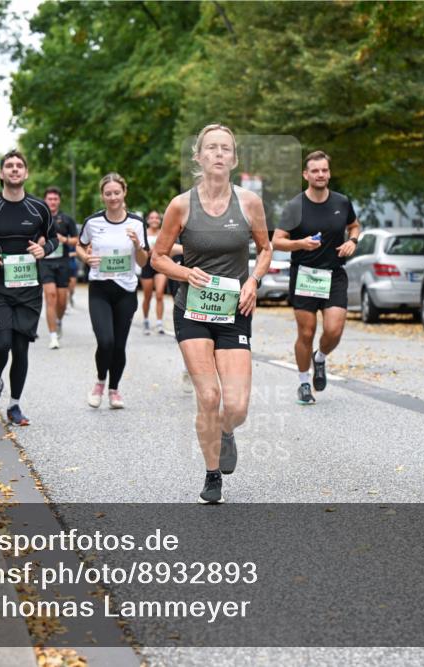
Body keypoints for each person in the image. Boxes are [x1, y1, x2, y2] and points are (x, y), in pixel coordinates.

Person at [151, 124, 272, 504]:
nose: (218, 154)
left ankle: (226, 431)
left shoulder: (249, 203)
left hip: (235, 308)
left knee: (235, 405)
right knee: (208, 394)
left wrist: (253, 280)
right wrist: (186, 272)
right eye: (211, 148)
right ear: (199, 157)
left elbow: (266, 249)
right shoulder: (181, 205)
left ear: (234, 159)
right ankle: (212, 474)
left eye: (225, 149)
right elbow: (156, 257)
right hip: (193, 310)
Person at [0, 149, 56, 426]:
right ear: (2, 174)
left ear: (26, 173)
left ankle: (15, 406)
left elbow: (54, 239)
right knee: (1, 343)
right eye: (9, 166)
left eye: (19, 166)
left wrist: (44, 248)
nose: (14, 169)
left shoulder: (38, 208)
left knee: (21, 348)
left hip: (28, 289)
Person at [273, 150, 360, 405]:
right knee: (307, 332)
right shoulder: (295, 206)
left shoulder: (342, 202)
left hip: (334, 275)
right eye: (315, 171)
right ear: (306, 174)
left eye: (324, 170)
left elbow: (354, 225)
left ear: (329, 173)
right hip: (305, 276)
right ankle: (303, 383)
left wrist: (353, 241)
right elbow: (277, 241)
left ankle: (320, 357)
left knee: (334, 330)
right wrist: (300, 243)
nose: (320, 174)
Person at [76, 173, 148, 409]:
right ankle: (99, 382)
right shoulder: (93, 222)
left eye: (117, 192)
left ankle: (114, 390)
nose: (113, 197)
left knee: (119, 345)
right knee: (105, 341)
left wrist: (137, 244)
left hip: (126, 290)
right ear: (102, 195)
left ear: (124, 192)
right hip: (100, 289)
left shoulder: (137, 223)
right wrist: (86, 257)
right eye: (108, 193)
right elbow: (80, 245)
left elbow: (144, 262)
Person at [40, 186, 79, 349]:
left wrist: (64, 240)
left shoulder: (67, 219)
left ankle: (58, 321)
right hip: (45, 262)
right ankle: (53, 336)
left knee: (62, 301)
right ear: (45, 200)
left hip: (62, 263)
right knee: (50, 297)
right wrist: (39, 243)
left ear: (59, 201)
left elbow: (77, 240)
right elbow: (28, 240)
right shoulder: (38, 219)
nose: (52, 202)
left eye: (55, 199)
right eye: (50, 199)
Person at [140, 210, 172, 336]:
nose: (154, 220)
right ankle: (146, 320)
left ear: (160, 220)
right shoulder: (143, 233)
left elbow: (169, 249)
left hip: (160, 265)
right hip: (147, 265)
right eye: (151, 218)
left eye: (157, 218)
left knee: (159, 294)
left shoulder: (163, 233)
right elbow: (139, 249)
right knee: (147, 296)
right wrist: (146, 252)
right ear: (147, 220)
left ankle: (159, 323)